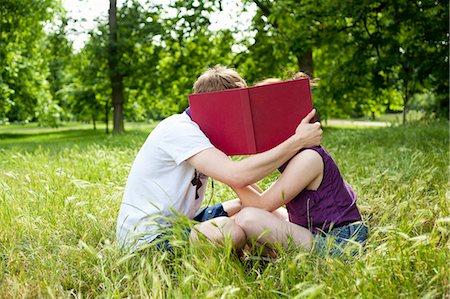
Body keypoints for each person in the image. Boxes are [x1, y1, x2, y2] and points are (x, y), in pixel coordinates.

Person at [116, 65, 323, 252]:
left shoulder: (204, 133)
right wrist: (297, 141)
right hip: (149, 239)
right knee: (228, 231)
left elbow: (250, 193)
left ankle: (309, 242)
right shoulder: (178, 130)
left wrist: (280, 215)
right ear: (215, 106)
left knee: (246, 207)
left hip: (183, 222)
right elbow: (237, 176)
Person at [232, 73, 368, 257]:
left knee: (248, 217)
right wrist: (233, 173)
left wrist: (230, 176)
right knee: (247, 211)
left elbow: (261, 205)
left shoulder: (308, 158)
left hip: (340, 243)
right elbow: (261, 203)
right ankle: (277, 257)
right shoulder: (296, 156)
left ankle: (280, 258)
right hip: (314, 231)